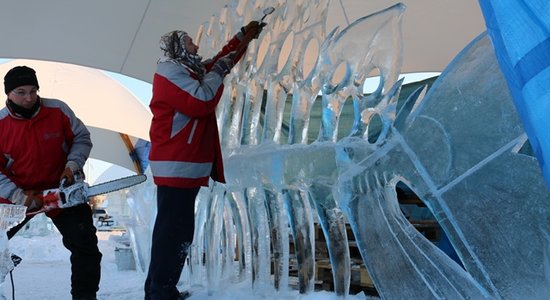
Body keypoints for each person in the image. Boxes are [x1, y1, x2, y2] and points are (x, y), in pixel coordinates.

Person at [145, 20, 264, 300]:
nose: (195, 46)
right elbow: (201, 100)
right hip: (176, 164)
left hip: (184, 164)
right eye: (189, 42)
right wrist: (220, 70)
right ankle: (160, 292)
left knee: (177, 230)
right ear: (177, 49)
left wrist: (240, 40)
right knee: (172, 232)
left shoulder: (188, 72)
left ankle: (161, 288)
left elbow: (217, 65)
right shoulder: (170, 73)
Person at [0, 66, 102, 300]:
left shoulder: (58, 110)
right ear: (8, 93)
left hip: (62, 191)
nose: (29, 98)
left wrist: (72, 167)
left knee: (85, 245)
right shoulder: (1, 124)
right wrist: (19, 196)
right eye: (21, 92)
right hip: (17, 194)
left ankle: (85, 297)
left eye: (33, 91)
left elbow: (81, 138)